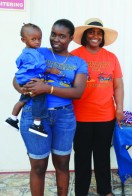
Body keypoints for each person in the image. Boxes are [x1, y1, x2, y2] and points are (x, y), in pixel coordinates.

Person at [13, 19, 87, 196]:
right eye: (53, 34)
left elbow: (78, 92)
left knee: (62, 164)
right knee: (38, 166)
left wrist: (47, 88)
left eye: (62, 36)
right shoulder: (38, 52)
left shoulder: (79, 62)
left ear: (70, 38)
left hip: (64, 116)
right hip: (34, 113)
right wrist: (24, 89)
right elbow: (17, 78)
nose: (56, 39)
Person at [71, 18, 124, 196]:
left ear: (102, 37)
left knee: (102, 156)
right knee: (82, 158)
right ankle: (81, 191)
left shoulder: (111, 58)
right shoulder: (74, 56)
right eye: (91, 32)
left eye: (99, 33)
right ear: (85, 35)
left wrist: (119, 108)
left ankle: (105, 190)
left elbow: (118, 86)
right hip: (80, 117)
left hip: (105, 116)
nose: (95, 36)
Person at [5, 23, 60, 137]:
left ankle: (12, 118)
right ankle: (36, 124)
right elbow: (40, 66)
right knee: (40, 98)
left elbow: (18, 62)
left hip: (24, 80)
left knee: (23, 100)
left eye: (39, 39)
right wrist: (50, 70)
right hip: (32, 80)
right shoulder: (34, 53)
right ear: (23, 40)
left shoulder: (24, 52)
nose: (37, 42)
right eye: (33, 39)